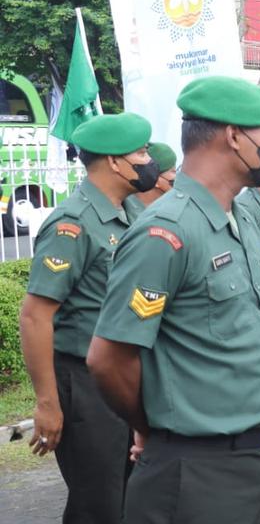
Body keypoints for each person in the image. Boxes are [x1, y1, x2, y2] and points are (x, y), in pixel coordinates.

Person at [87, 76, 260, 523]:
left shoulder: (238, 217)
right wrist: (153, 428)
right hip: (201, 473)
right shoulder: (166, 232)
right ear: (235, 137)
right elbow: (109, 358)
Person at [20, 113, 156, 524]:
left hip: (128, 374)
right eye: (142, 152)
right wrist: (47, 403)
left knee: (134, 496)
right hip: (85, 383)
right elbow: (35, 317)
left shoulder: (132, 210)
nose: (148, 159)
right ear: (115, 162)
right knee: (99, 504)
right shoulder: (72, 224)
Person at [124, 141, 177, 217]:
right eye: (173, 171)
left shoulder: (169, 210)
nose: (177, 177)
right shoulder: (126, 211)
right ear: (156, 178)